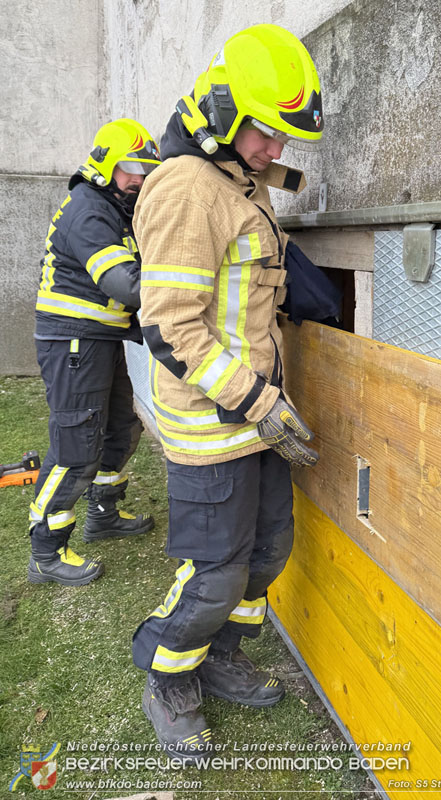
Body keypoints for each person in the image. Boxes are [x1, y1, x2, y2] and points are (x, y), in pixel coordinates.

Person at [131, 24, 324, 759]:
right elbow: (172, 329)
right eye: (267, 135)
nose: (277, 152)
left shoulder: (234, 180)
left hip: (255, 419)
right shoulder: (185, 189)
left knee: (268, 554)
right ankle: (167, 673)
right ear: (218, 112)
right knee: (216, 577)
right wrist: (259, 399)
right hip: (217, 425)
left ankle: (220, 659)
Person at [28, 119, 161, 587]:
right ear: (105, 164)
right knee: (75, 448)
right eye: (131, 168)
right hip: (73, 344)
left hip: (96, 340)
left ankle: (103, 514)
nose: (139, 178)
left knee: (120, 428)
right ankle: (46, 549)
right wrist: (185, 280)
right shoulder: (89, 209)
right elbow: (125, 284)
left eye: (147, 169)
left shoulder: (110, 206)